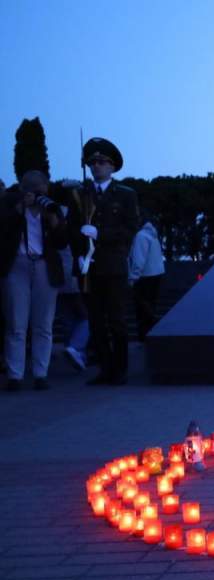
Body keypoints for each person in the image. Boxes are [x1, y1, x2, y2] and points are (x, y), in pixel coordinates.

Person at [69, 137, 139, 385]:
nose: (96, 166)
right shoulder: (80, 195)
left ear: (112, 166)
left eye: (101, 162)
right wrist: (79, 250)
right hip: (88, 268)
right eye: (92, 163)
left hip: (113, 265)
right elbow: (71, 229)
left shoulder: (126, 195)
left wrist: (101, 234)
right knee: (96, 321)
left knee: (117, 320)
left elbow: (130, 229)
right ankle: (105, 369)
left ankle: (120, 370)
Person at [0, 170, 69, 390]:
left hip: (44, 267)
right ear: (23, 190)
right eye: (35, 191)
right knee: (16, 324)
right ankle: (15, 375)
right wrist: (20, 211)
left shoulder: (52, 207)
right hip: (16, 266)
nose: (40, 195)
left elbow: (61, 243)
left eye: (43, 191)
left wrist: (54, 220)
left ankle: (41, 373)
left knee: (43, 324)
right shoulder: (10, 207)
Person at [128, 214, 164, 341]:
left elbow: (139, 259)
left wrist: (133, 278)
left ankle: (144, 337)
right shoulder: (153, 236)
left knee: (142, 311)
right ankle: (151, 336)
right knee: (150, 307)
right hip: (156, 275)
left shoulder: (141, 236)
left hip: (144, 278)